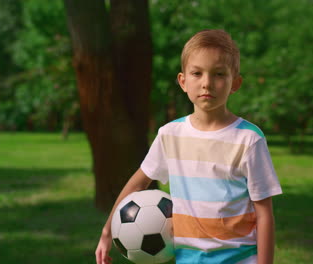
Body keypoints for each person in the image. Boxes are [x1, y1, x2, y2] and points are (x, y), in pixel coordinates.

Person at [95, 29, 282, 264]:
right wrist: (106, 233)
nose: (207, 83)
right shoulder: (170, 135)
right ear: (183, 82)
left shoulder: (248, 139)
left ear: (235, 83)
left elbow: (264, 214)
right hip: (187, 259)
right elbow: (138, 184)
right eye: (197, 73)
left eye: (219, 74)